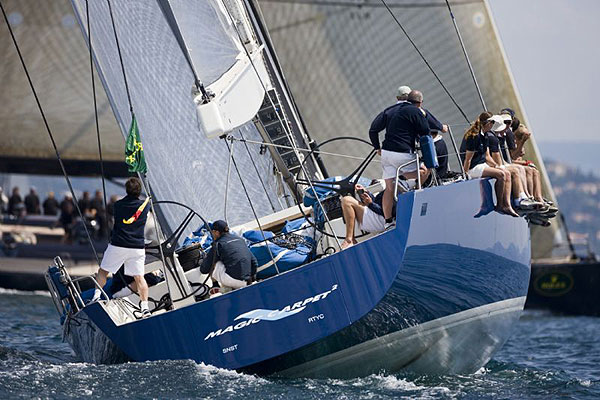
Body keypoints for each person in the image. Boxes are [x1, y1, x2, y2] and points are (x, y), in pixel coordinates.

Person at [369, 90, 430, 228]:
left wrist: (377, 147)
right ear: (420, 103)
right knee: (425, 171)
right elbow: (425, 132)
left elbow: (373, 129)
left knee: (389, 189)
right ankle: (401, 180)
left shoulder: (392, 110)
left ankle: (388, 221)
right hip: (402, 153)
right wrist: (424, 117)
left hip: (386, 153)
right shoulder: (416, 112)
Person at [92, 177, 151, 318]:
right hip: (137, 247)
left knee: (102, 272)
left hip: (118, 244)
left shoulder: (117, 205)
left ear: (126, 190)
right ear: (139, 191)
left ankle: (96, 298)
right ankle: (145, 308)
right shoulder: (145, 206)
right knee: (139, 278)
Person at [461, 112, 518, 217]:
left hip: (482, 165)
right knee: (501, 175)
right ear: (488, 124)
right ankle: (500, 205)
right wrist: (465, 174)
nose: (493, 126)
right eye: (492, 123)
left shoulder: (485, 135)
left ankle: (507, 205)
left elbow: (487, 156)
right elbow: (468, 159)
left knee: (506, 173)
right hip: (473, 167)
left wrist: (497, 166)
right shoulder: (474, 136)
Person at [486, 115, 541, 212]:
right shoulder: (494, 137)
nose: (507, 127)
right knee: (516, 170)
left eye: (509, 123)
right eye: (505, 123)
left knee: (528, 170)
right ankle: (518, 200)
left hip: (500, 163)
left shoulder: (500, 136)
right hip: (493, 165)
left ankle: (530, 197)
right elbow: (503, 159)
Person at [200, 220, 258, 292]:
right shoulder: (240, 239)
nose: (212, 234)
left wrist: (204, 260)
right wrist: (251, 279)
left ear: (217, 232)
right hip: (249, 280)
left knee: (215, 262)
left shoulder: (218, 244)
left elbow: (204, 270)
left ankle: (216, 286)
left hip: (234, 281)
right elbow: (254, 262)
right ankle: (236, 285)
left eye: (212, 232)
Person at [340, 183, 393, 249]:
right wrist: (366, 192)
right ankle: (351, 240)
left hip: (383, 220)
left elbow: (387, 213)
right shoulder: (395, 186)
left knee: (347, 200)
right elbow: (380, 203)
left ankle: (349, 239)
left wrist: (370, 204)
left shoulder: (396, 189)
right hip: (380, 218)